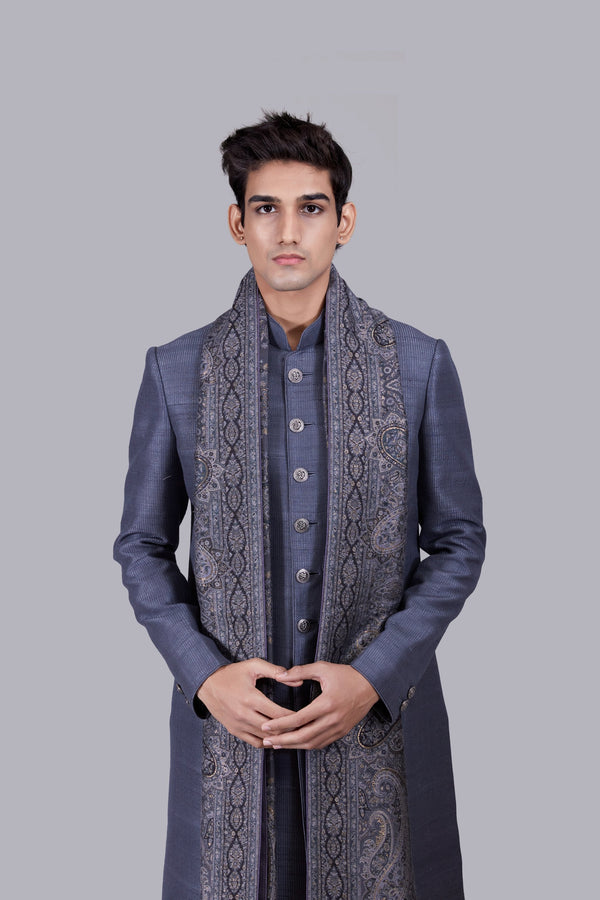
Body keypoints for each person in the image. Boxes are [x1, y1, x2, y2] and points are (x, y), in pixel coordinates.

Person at [114, 111, 485, 900]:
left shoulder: (417, 364)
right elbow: (141, 546)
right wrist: (205, 679)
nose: (288, 231)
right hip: (230, 736)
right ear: (236, 223)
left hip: (379, 725)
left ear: (344, 222)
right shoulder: (177, 371)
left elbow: (458, 541)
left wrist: (374, 678)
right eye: (266, 208)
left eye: (310, 207)